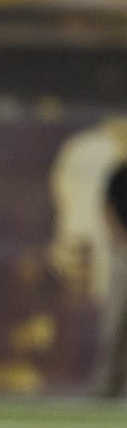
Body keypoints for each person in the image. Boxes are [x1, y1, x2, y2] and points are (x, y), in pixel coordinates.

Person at [94, 161, 127, 397]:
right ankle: (108, 385)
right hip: (123, 252)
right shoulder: (121, 173)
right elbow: (107, 207)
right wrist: (120, 239)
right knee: (115, 323)